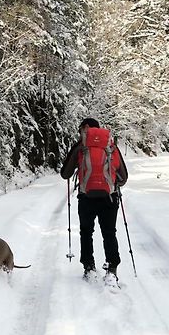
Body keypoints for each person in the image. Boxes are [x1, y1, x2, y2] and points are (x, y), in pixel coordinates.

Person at [60, 118, 128, 284]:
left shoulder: (81, 146)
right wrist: (111, 181)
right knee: (109, 233)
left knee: (86, 232)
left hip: (86, 197)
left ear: (84, 129)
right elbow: (123, 177)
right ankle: (112, 270)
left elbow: (65, 174)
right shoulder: (110, 145)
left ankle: (89, 267)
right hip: (109, 198)